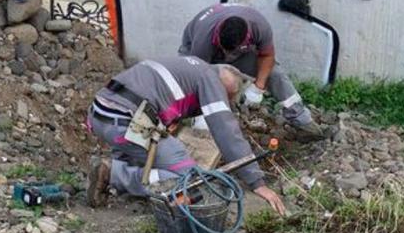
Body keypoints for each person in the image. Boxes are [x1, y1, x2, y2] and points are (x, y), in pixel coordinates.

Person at [85, 56, 287, 213]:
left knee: (159, 154)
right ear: (226, 89)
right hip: (125, 122)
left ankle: (114, 170)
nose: (226, 102)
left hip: (101, 114)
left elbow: (162, 95)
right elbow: (226, 130)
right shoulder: (212, 79)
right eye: (228, 99)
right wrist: (256, 182)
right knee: (191, 179)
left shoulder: (191, 66)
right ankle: (114, 174)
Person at [179, 3, 326, 140]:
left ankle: (302, 120)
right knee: (207, 99)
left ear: (247, 39)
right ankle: (203, 124)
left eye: (231, 53)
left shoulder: (259, 27)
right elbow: (198, 78)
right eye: (226, 52)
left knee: (275, 74)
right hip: (200, 56)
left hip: (241, 51)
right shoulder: (203, 39)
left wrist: (258, 87)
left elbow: (267, 56)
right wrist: (204, 110)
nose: (228, 57)